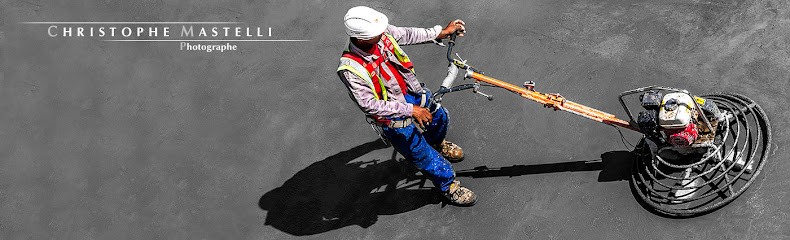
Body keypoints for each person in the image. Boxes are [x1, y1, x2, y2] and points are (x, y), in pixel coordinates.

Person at [336, 6, 476, 206]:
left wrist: (440, 32)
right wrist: (411, 110)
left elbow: (407, 34)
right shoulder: (350, 69)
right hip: (392, 116)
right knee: (421, 153)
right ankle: (449, 186)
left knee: (440, 117)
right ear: (361, 38)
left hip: (412, 93)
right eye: (377, 33)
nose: (383, 32)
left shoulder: (380, 33)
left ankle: (437, 142)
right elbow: (369, 104)